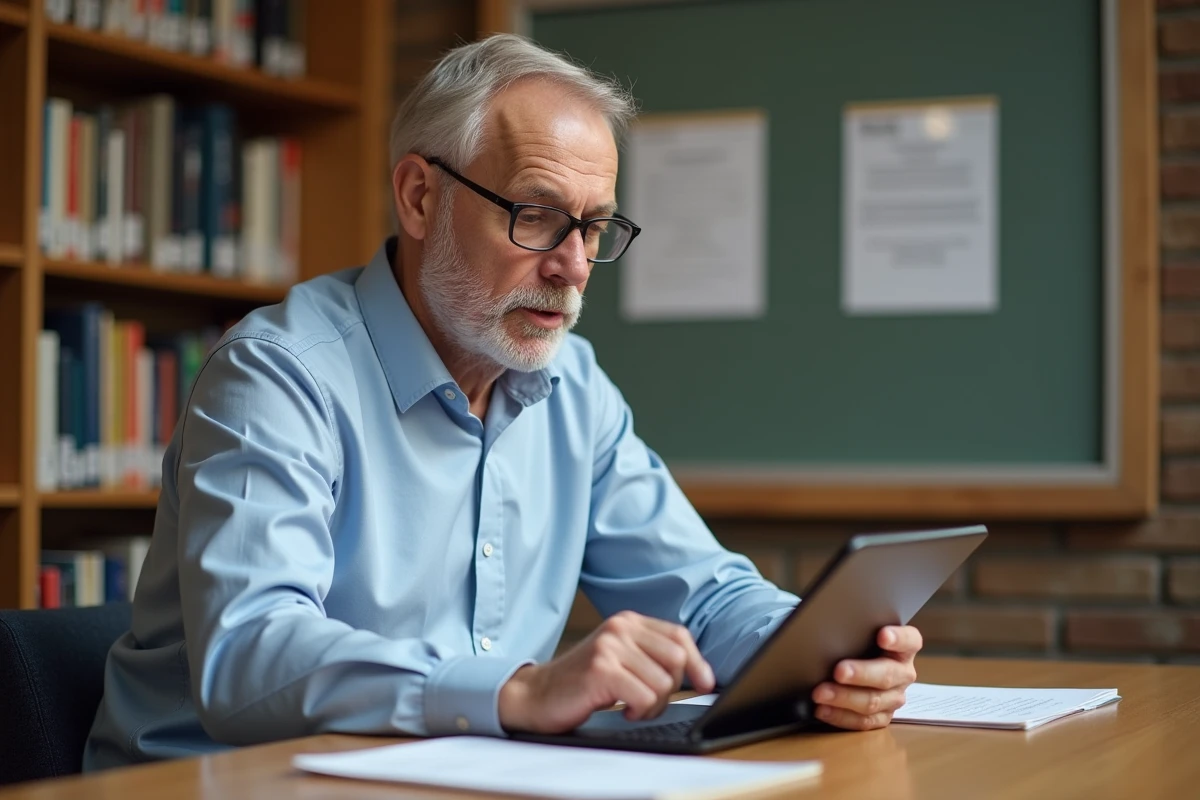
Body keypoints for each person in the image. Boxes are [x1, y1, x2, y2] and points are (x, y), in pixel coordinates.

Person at [83, 34, 923, 770]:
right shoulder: (278, 374)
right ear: (419, 196)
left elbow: (702, 596)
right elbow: (254, 656)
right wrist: (519, 690)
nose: (573, 266)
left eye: (594, 227)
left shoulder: (575, 387)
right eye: (536, 216)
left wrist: (825, 654)